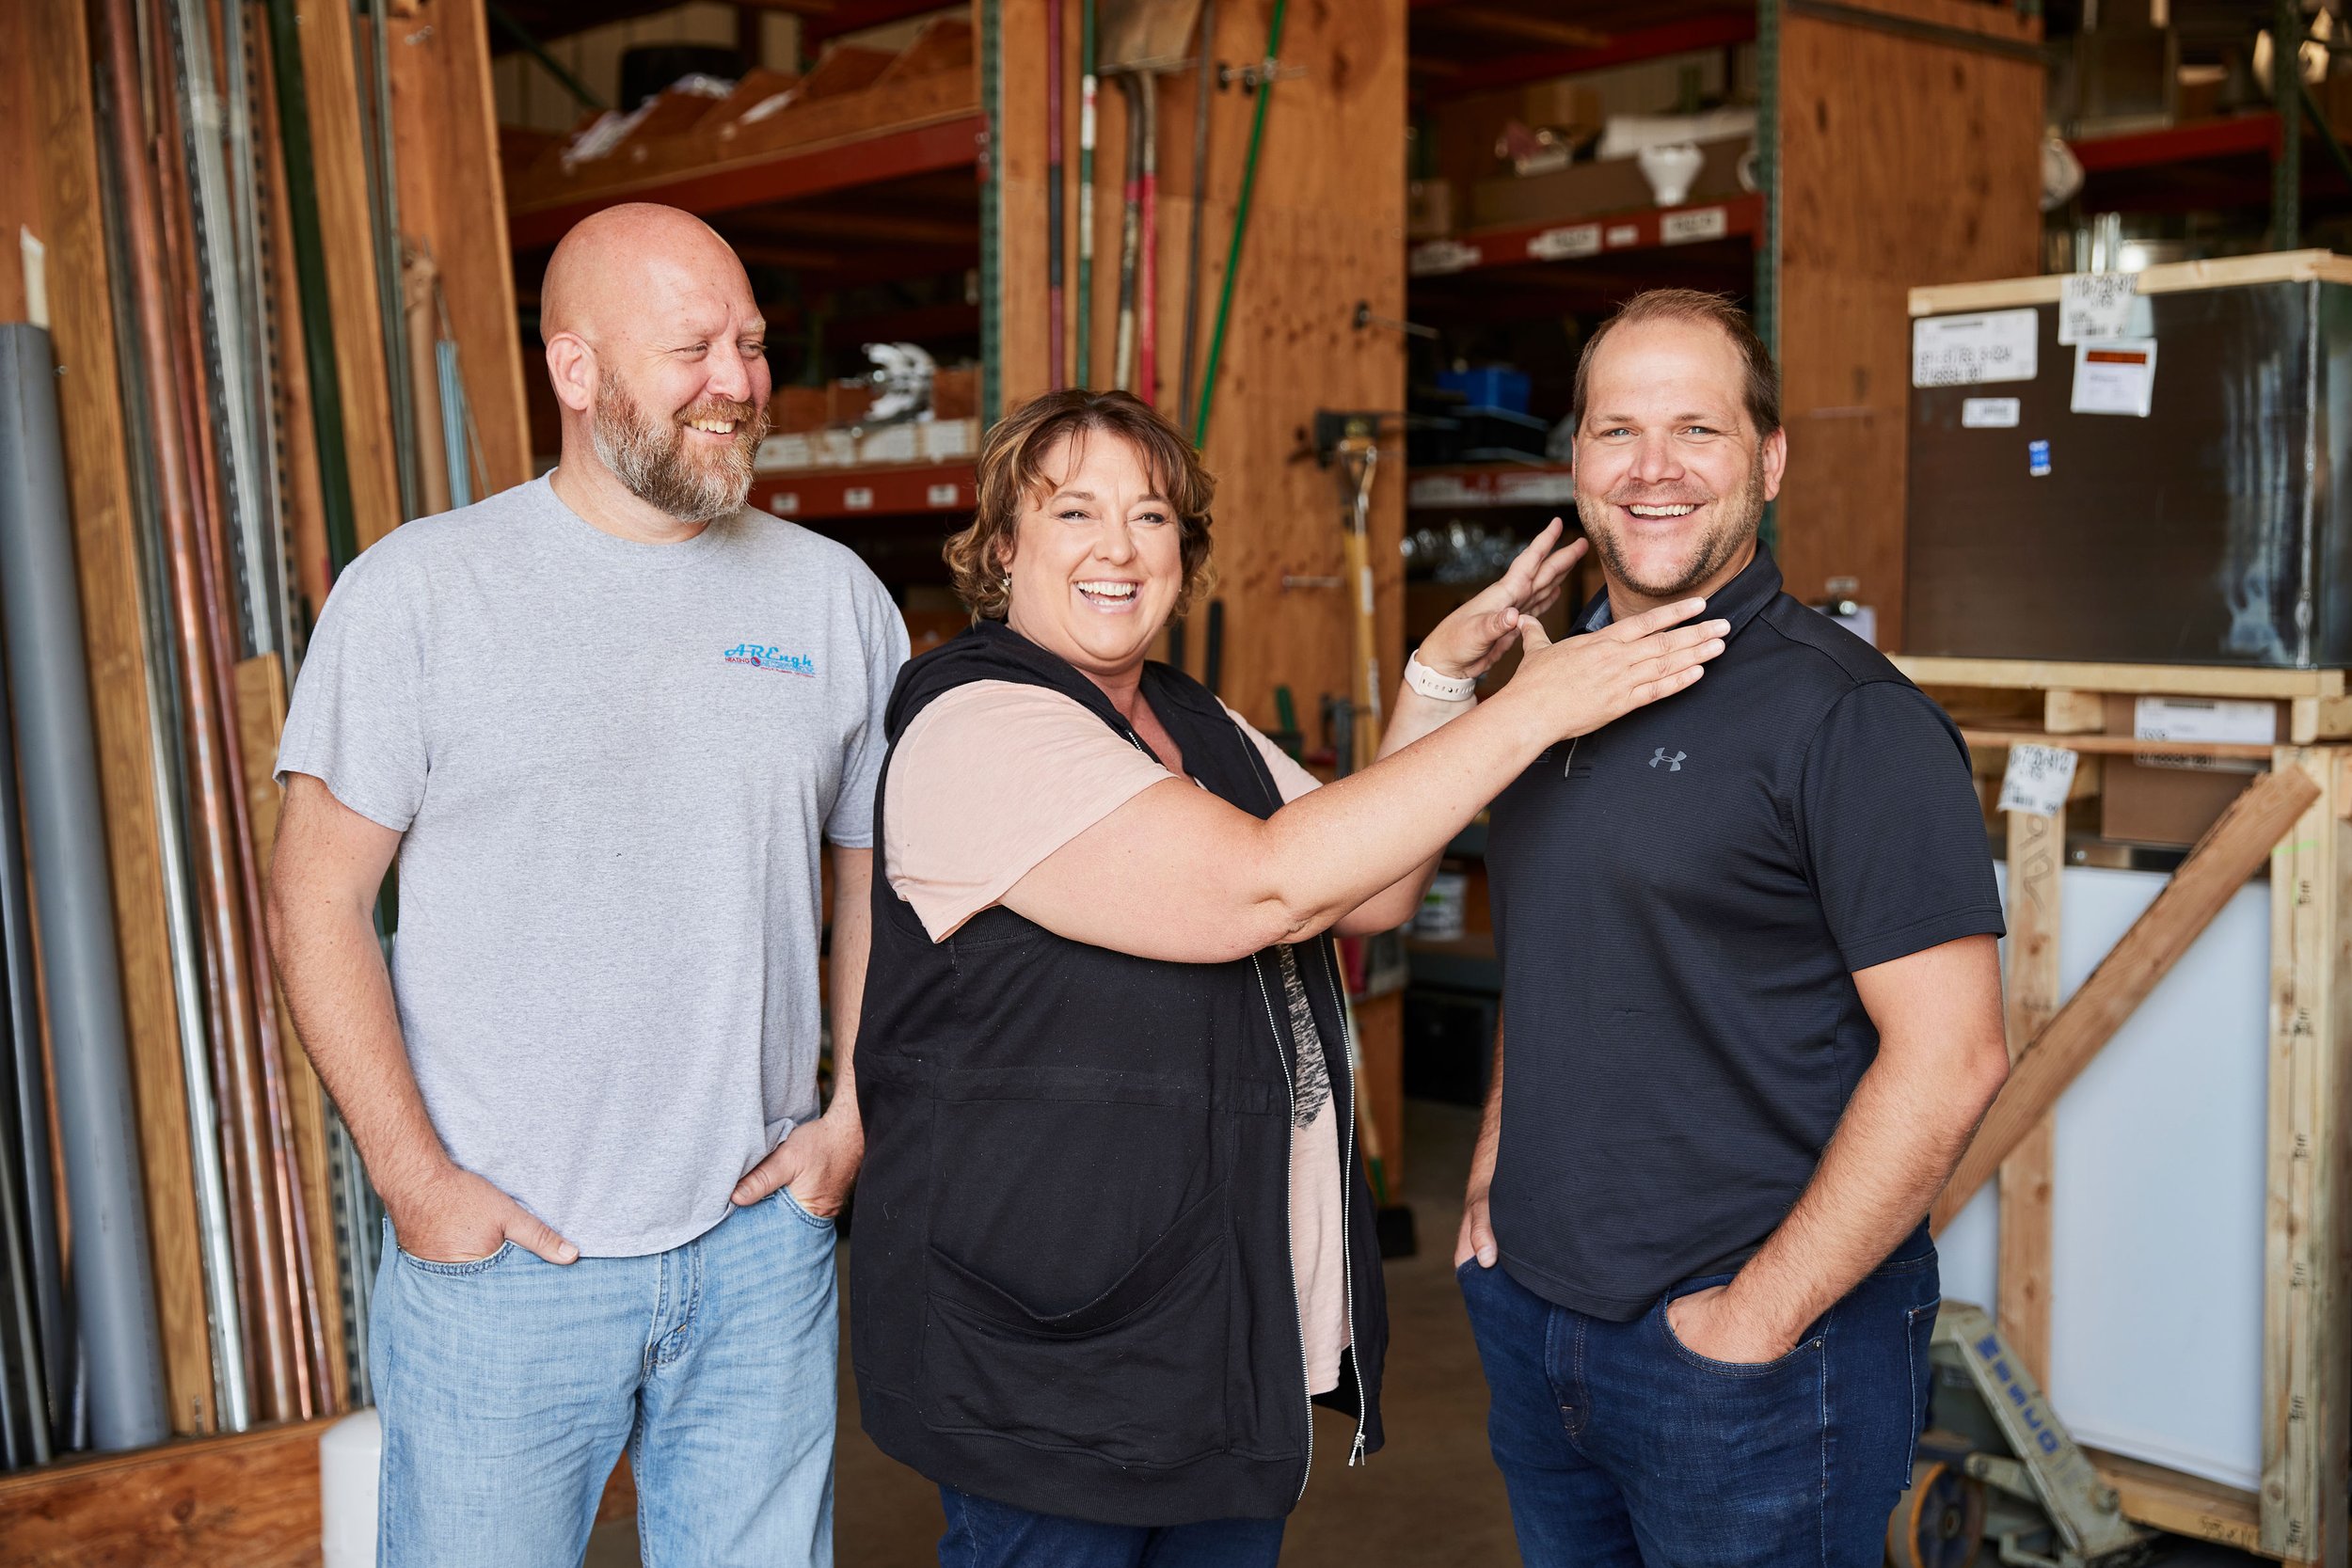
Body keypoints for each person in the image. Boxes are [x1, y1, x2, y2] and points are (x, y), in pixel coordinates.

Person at [849, 388, 1729, 1568]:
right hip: (1050, 1357)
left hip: (1207, 1333)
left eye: (1152, 516)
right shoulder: (979, 723)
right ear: (1004, 547)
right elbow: (1261, 888)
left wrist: (1440, 679)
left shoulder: (1183, 717)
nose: (1118, 548)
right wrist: (1537, 710)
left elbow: (1362, 886)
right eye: (1074, 512)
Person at [266, 203, 906, 1568]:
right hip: (503, 1264)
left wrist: (852, 1115)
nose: (736, 381)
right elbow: (313, 903)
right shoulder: (422, 594)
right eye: (691, 348)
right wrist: (417, 1182)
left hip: (758, 1252)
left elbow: (878, 879)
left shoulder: (835, 601)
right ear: (575, 370)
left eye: (748, 342)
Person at [1453, 288, 2012, 1567]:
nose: (1652, 469)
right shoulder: (1550, 695)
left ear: (1767, 459)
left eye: (1696, 430)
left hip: (1749, 1362)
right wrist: (1496, 1163)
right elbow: (1556, 952)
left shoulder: (1850, 719)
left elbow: (1954, 1051)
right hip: (1539, 1321)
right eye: (1616, 430)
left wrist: (1756, 1318)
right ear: (1577, 461)